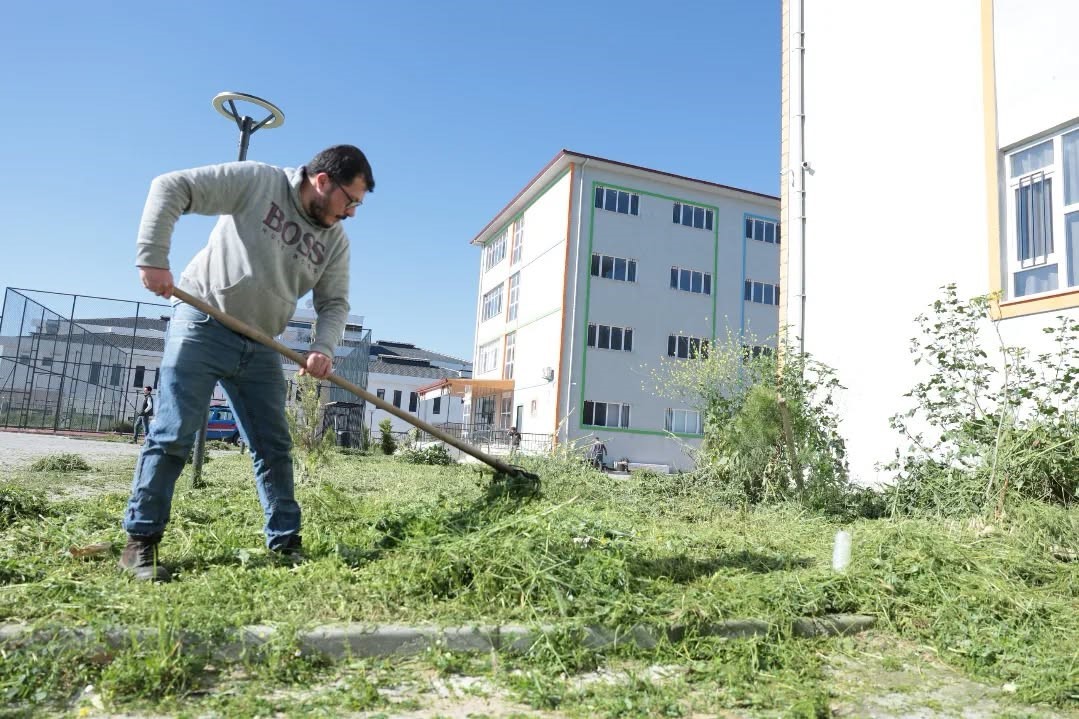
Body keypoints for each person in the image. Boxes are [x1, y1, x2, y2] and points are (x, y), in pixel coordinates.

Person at [120, 145, 375, 582]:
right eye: (349, 200)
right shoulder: (259, 182)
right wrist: (153, 256)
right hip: (203, 318)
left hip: (261, 342)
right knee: (174, 433)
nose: (351, 212)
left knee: (273, 446)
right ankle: (141, 541)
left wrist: (324, 348)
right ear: (322, 181)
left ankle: (285, 541)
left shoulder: (334, 240)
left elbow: (334, 303)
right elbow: (171, 185)